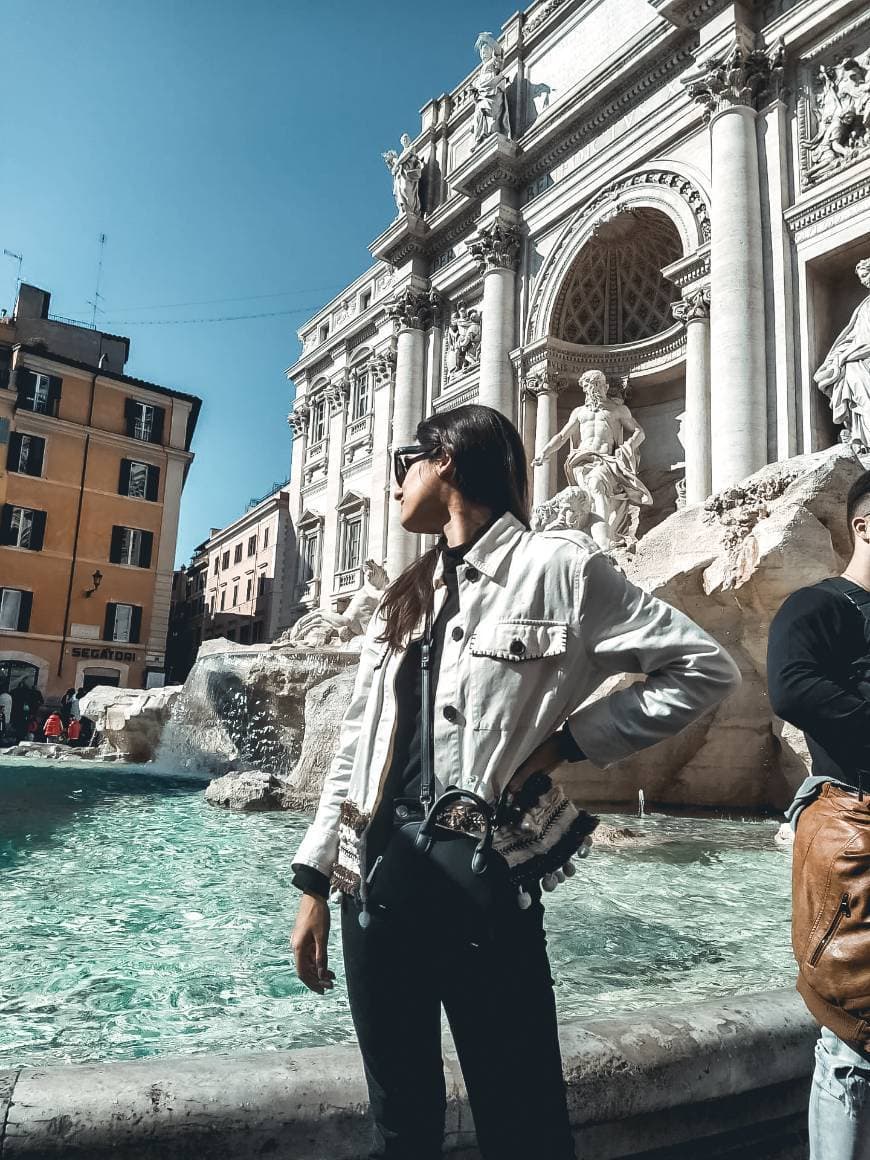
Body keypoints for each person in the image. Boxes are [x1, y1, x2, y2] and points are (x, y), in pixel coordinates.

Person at [290, 404, 741, 1160]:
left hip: (483, 885)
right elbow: (356, 749)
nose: (396, 479)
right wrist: (312, 883)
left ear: (450, 463)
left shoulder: (560, 569)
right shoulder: (404, 595)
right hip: (372, 884)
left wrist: (567, 743)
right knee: (398, 1126)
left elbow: (701, 669)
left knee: (522, 1123)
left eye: (407, 459)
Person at [768, 470, 870, 1160]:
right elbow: (792, 686)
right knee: (854, 1034)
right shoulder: (820, 605)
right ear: (865, 525)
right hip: (855, 825)